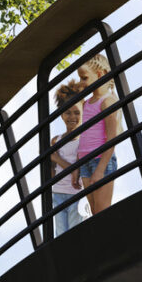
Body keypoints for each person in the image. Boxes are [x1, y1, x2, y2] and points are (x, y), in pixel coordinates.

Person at [74, 55, 122, 215]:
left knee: (102, 212)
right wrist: (77, 167)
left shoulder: (107, 102)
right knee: (95, 213)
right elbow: (84, 136)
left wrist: (101, 169)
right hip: (85, 162)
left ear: (100, 74)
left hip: (101, 161)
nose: (81, 83)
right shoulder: (87, 103)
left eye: (84, 78)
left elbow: (112, 137)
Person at [50, 79, 88, 235]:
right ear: (61, 114)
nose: (72, 116)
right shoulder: (56, 140)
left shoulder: (84, 140)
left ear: (83, 112)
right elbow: (51, 169)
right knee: (60, 234)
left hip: (77, 194)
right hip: (57, 193)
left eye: (77, 112)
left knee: (76, 232)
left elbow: (79, 169)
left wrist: (58, 159)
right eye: (68, 112)